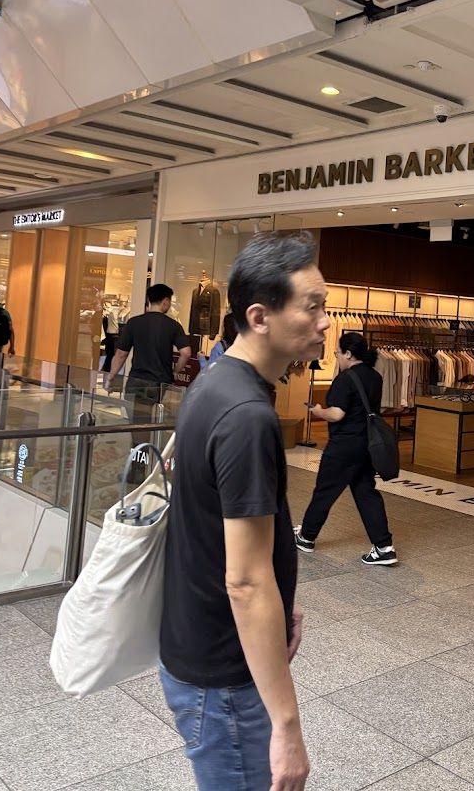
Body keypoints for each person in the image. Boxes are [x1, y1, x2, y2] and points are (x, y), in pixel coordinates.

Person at [160, 232, 329, 791]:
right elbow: (246, 581)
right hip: (227, 676)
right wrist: (287, 724)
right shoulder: (247, 416)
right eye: (313, 307)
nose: (325, 322)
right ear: (260, 316)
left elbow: (217, 527)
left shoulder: (213, 384)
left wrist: (280, 605)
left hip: (198, 648)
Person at [294, 332, 397, 566]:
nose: (336, 356)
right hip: (367, 445)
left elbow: (337, 414)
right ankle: (384, 547)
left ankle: (306, 536)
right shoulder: (375, 377)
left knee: (325, 491)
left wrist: (318, 411)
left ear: (348, 354)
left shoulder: (345, 378)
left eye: (338, 352)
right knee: (366, 493)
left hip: (344, 446)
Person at [105, 283, 192, 420]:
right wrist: (175, 372)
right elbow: (186, 353)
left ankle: (139, 442)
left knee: (136, 421)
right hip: (159, 382)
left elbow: (121, 354)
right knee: (150, 421)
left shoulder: (134, 323)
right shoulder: (173, 325)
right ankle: (145, 441)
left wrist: (111, 377)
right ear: (165, 301)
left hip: (135, 379)